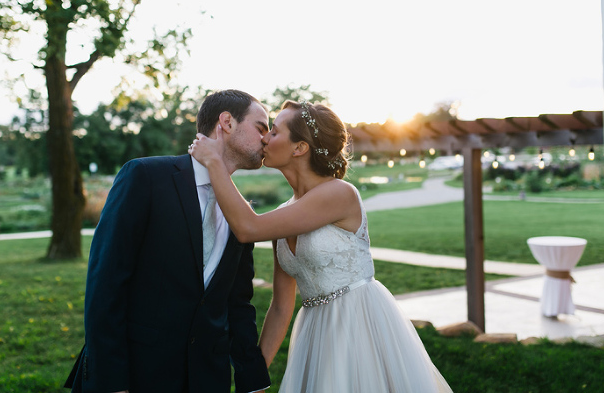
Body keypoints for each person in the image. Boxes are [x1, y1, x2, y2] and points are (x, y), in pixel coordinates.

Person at [189, 100, 453, 393]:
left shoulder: (338, 194)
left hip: (358, 324)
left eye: (274, 132)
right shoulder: (285, 213)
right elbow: (280, 306)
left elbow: (247, 228)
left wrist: (214, 162)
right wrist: (254, 378)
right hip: (314, 333)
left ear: (299, 148)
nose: (264, 138)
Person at [65, 89, 272, 393]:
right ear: (227, 122)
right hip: (139, 374)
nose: (267, 139)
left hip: (207, 379)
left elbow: (237, 303)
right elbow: (106, 284)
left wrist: (251, 381)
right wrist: (111, 382)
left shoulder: (242, 214)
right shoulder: (146, 176)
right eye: (261, 127)